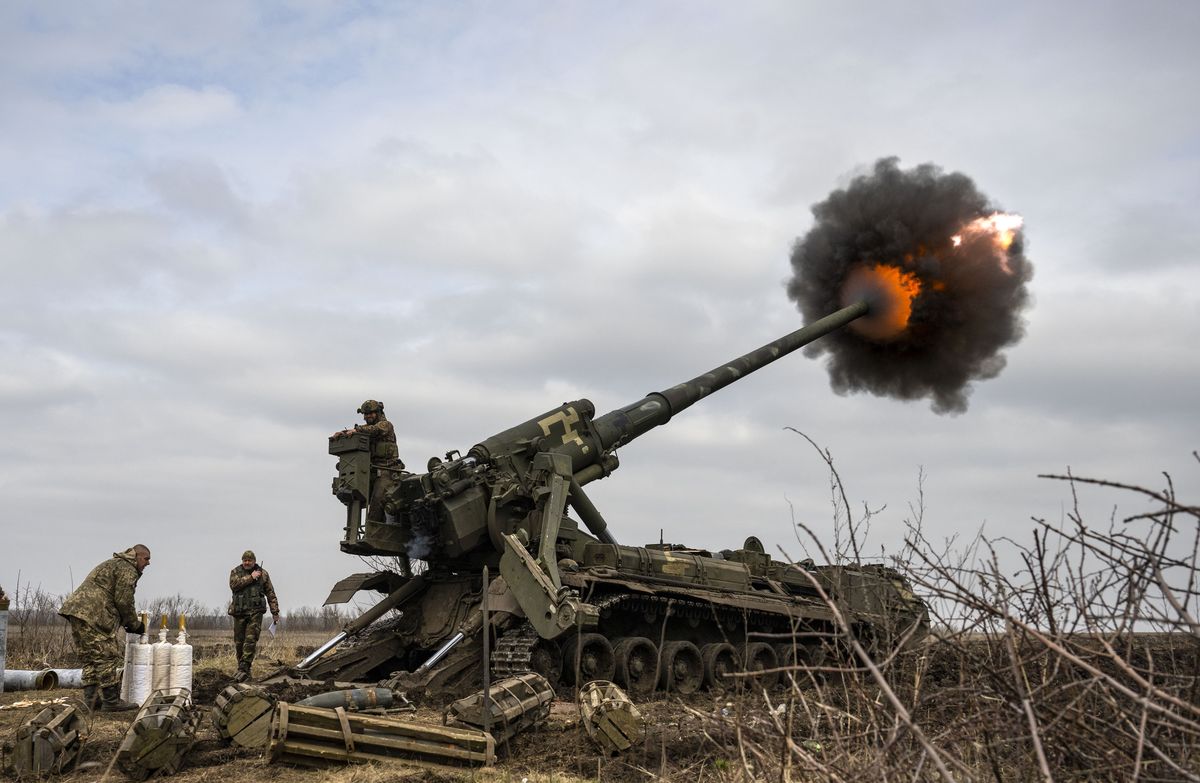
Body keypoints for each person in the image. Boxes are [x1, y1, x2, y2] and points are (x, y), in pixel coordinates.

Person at [58, 545, 151, 711]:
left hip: (79, 612)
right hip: (94, 614)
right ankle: (111, 700)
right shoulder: (127, 568)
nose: (148, 563)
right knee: (106, 654)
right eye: (146, 558)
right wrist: (134, 624)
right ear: (136, 556)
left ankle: (91, 700)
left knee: (90, 656)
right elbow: (123, 600)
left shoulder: (114, 564)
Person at [331, 400, 405, 523]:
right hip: (372, 471)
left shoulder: (386, 425)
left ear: (378, 413)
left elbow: (374, 429)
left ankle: (373, 532)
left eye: (370, 413)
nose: (367, 416)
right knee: (350, 493)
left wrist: (356, 430)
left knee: (377, 502)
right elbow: (363, 429)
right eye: (365, 414)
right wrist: (343, 433)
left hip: (388, 471)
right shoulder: (365, 429)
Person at [228, 550, 280, 682]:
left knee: (250, 640)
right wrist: (251, 577)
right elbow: (234, 585)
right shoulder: (235, 572)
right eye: (244, 560)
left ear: (254, 561)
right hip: (239, 613)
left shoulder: (263, 574)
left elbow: (270, 593)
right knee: (239, 643)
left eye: (249, 560)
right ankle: (243, 670)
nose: (246, 562)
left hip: (255, 613)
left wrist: (275, 612)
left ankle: (244, 668)